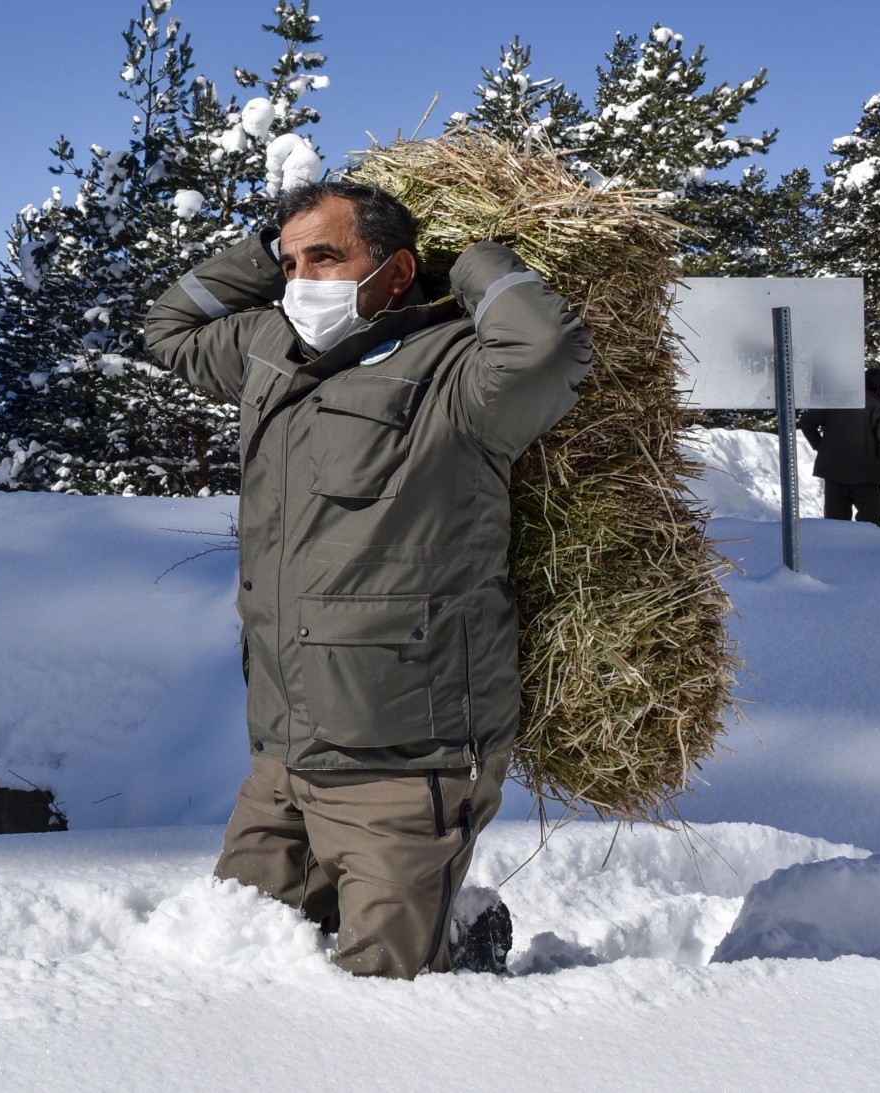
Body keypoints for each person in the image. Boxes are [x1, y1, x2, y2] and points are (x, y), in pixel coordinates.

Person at [145, 180, 592, 978]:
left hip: (404, 759)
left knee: (389, 998)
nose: (302, 281)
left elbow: (548, 349)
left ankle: (463, 938)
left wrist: (471, 260)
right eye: (290, 266)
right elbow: (169, 326)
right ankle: (456, 917)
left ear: (394, 270)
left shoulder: (457, 372)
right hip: (282, 755)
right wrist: (264, 248)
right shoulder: (268, 351)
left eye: (327, 256)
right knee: (231, 962)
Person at [799, 367, 880, 525]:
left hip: (834, 473)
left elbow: (806, 422)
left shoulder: (839, 402)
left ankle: (838, 550)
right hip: (868, 477)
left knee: (835, 526)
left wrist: (821, 447)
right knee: (869, 527)